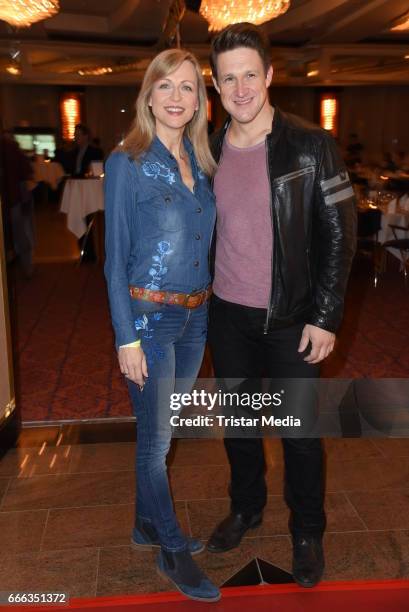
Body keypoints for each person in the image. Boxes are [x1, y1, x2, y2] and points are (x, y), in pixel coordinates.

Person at [206, 23, 356, 588]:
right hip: (227, 314)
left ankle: (308, 529)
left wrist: (326, 315)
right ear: (216, 86)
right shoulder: (210, 146)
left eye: (250, 74)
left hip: (293, 317)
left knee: (299, 433)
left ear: (269, 75)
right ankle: (246, 508)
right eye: (228, 79)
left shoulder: (312, 145)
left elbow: (342, 235)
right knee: (239, 426)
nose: (240, 88)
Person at [104, 49, 220, 603]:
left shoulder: (201, 163)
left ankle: (144, 523)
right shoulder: (127, 161)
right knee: (156, 444)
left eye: (189, 88)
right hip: (148, 320)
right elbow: (113, 258)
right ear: (148, 95)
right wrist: (125, 336)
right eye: (166, 86)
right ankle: (171, 546)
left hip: (196, 317)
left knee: (161, 434)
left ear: (200, 100)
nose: (178, 97)